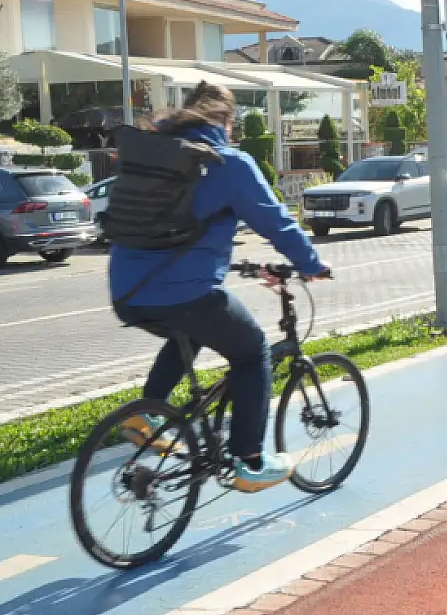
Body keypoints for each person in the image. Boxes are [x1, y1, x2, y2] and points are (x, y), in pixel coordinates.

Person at [108, 83, 329, 493]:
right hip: (183, 292)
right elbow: (275, 221)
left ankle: (146, 412)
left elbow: (182, 232)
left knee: (190, 331)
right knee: (251, 352)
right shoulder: (227, 162)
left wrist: (244, 264)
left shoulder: (157, 159)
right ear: (226, 121)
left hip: (126, 290)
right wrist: (311, 264)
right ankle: (248, 461)